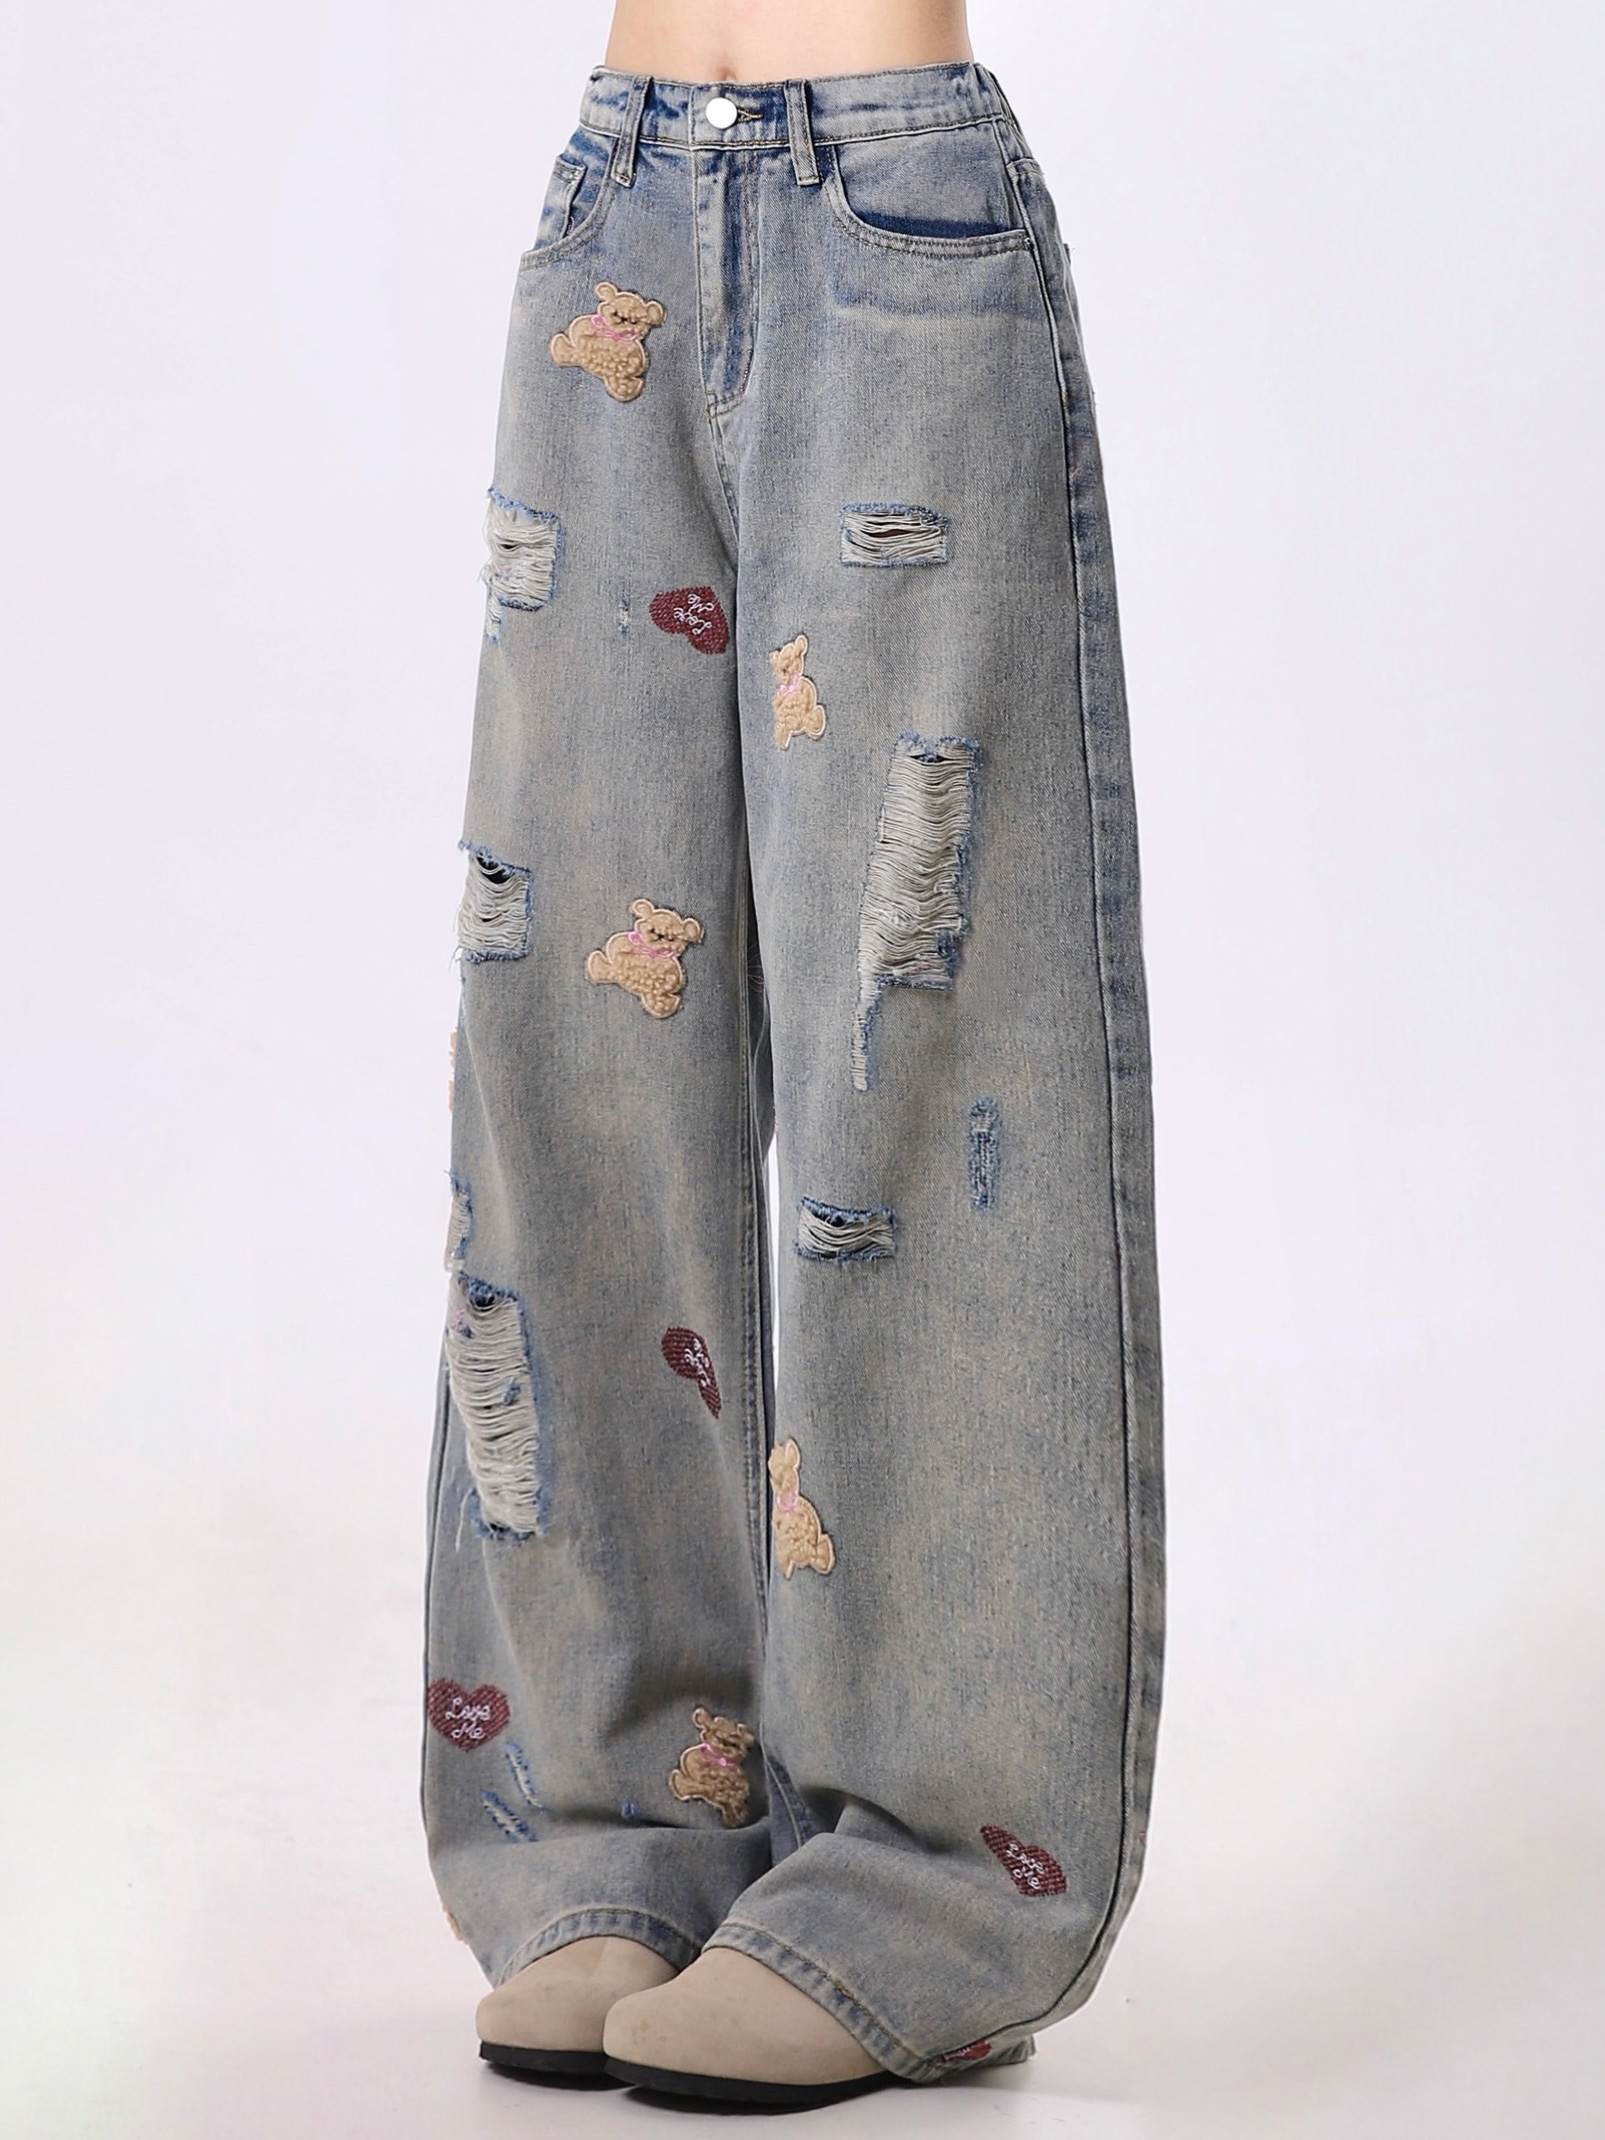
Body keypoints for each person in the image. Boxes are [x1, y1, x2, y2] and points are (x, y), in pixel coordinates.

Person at [422, 0, 1163, 2108]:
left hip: (898, 216)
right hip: (615, 196)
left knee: (918, 1061)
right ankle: (617, 1816)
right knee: (572, 1043)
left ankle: (934, 1879)